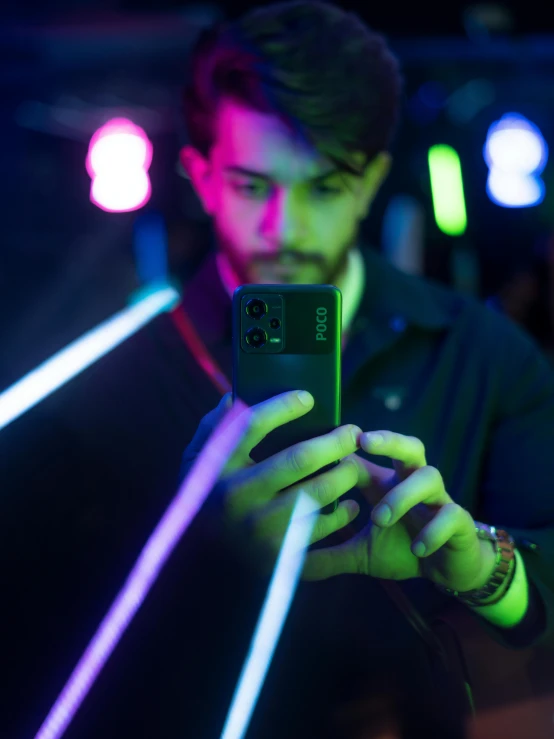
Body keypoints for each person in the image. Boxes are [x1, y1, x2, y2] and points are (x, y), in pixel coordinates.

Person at [2, 2, 553, 738]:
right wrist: (200, 545)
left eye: (323, 186)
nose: (283, 227)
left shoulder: (481, 352)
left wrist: (482, 563)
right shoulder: (96, 378)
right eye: (253, 185)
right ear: (200, 177)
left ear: (368, 183)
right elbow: (36, 643)